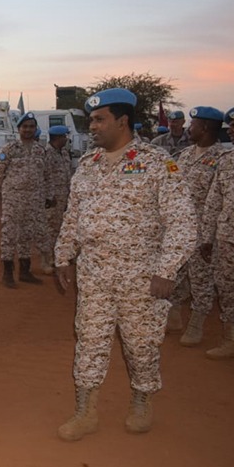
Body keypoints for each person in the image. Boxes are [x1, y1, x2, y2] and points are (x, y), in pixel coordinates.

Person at [54, 88, 195, 441]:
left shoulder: (157, 163)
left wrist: (167, 268)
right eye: (91, 121)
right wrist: (63, 255)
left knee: (141, 344)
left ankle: (142, 400)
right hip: (95, 274)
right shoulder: (88, 165)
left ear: (122, 121)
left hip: (141, 277)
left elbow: (183, 221)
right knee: (89, 340)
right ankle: (85, 411)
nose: (93, 127)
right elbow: (74, 215)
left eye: (100, 120)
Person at [200, 104, 234, 377]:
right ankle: (232, 341)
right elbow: (214, 200)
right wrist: (207, 237)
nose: (231, 131)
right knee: (229, 290)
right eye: (230, 126)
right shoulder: (229, 159)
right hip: (228, 238)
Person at [165, 107, 225, 345]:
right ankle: (174, 318)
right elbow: (171, 182)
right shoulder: (184, 155)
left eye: (193, 125)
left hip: (206, 230)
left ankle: (196, 325)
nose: (189, 129)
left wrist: (210, 236)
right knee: (175, 275)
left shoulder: (223, 158)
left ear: (206, 128)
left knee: (201, 279)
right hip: (180, 229)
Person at [0, 111, 48, 287]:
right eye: (25, 127)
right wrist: (8, 191)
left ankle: (25, 272)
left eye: (31, 127)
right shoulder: (9, 150)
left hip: (34, 200)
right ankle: (7, 274)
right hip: (13, 199)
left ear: (35, 129)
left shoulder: (41, 151)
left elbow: (44, 175)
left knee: (27, 235)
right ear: (19, 129)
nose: (28, 130)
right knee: (9, 235)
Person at [41, 125, 73, 274]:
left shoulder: (64, 152)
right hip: (52, 198)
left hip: (65, 196)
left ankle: (60, 256)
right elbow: (43, 177)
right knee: (49, 229)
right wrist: (48, 196)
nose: (66, 139)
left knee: (63, 228)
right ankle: (46, 261)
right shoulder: (47, 153)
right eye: (64, 136)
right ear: (57, 138)